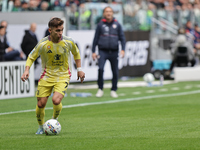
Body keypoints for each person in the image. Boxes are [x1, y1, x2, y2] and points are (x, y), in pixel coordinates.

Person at [21, 17, 85, 134]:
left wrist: (79, 69)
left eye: (61, 30)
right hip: (47, 76)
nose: (60, 33)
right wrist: (26, 70)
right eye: (57, 31)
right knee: (41, 103)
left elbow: (76, 53)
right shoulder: (43, 43)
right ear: (50, 30)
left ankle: (54, 121)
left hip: (63, 75)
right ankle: (41, 127)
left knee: (56, 100)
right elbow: (31, 57)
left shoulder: (68, 41)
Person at [92, 6, 126, 98]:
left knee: (115, 71)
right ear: (104, 13)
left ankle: (113, 90)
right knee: (101, 69)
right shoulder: (100, 25)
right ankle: (100, 89)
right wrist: (93, 51)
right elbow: (95, 39)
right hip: (103, 51)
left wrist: (123, 49)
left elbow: (122, 38)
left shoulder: (117, 24)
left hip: (114, 51)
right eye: (107, 11)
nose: (108, 13)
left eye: (110, 11)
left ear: (112, 13)